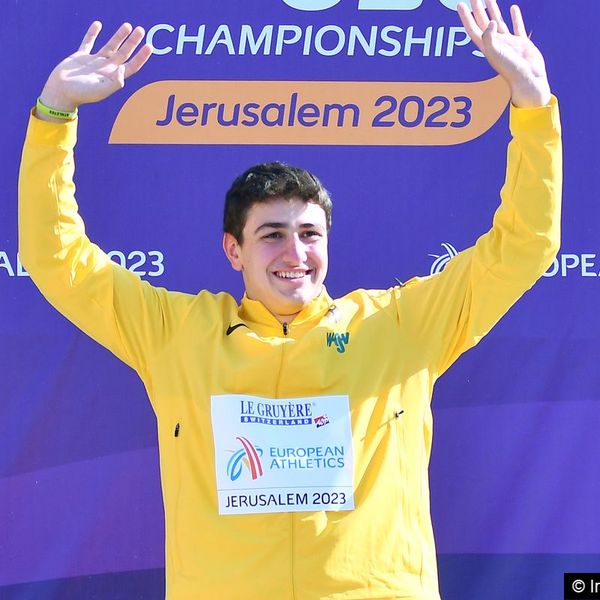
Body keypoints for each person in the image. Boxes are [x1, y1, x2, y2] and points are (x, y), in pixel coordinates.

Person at [18, 1, 561, 598]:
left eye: (309, 234)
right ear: (234, 249)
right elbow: (58, 259)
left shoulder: (399, 326)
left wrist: (533, 105)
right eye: (272, 235)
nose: (294, 253)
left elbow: (524, 247)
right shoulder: (176, 333)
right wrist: (54, 113)